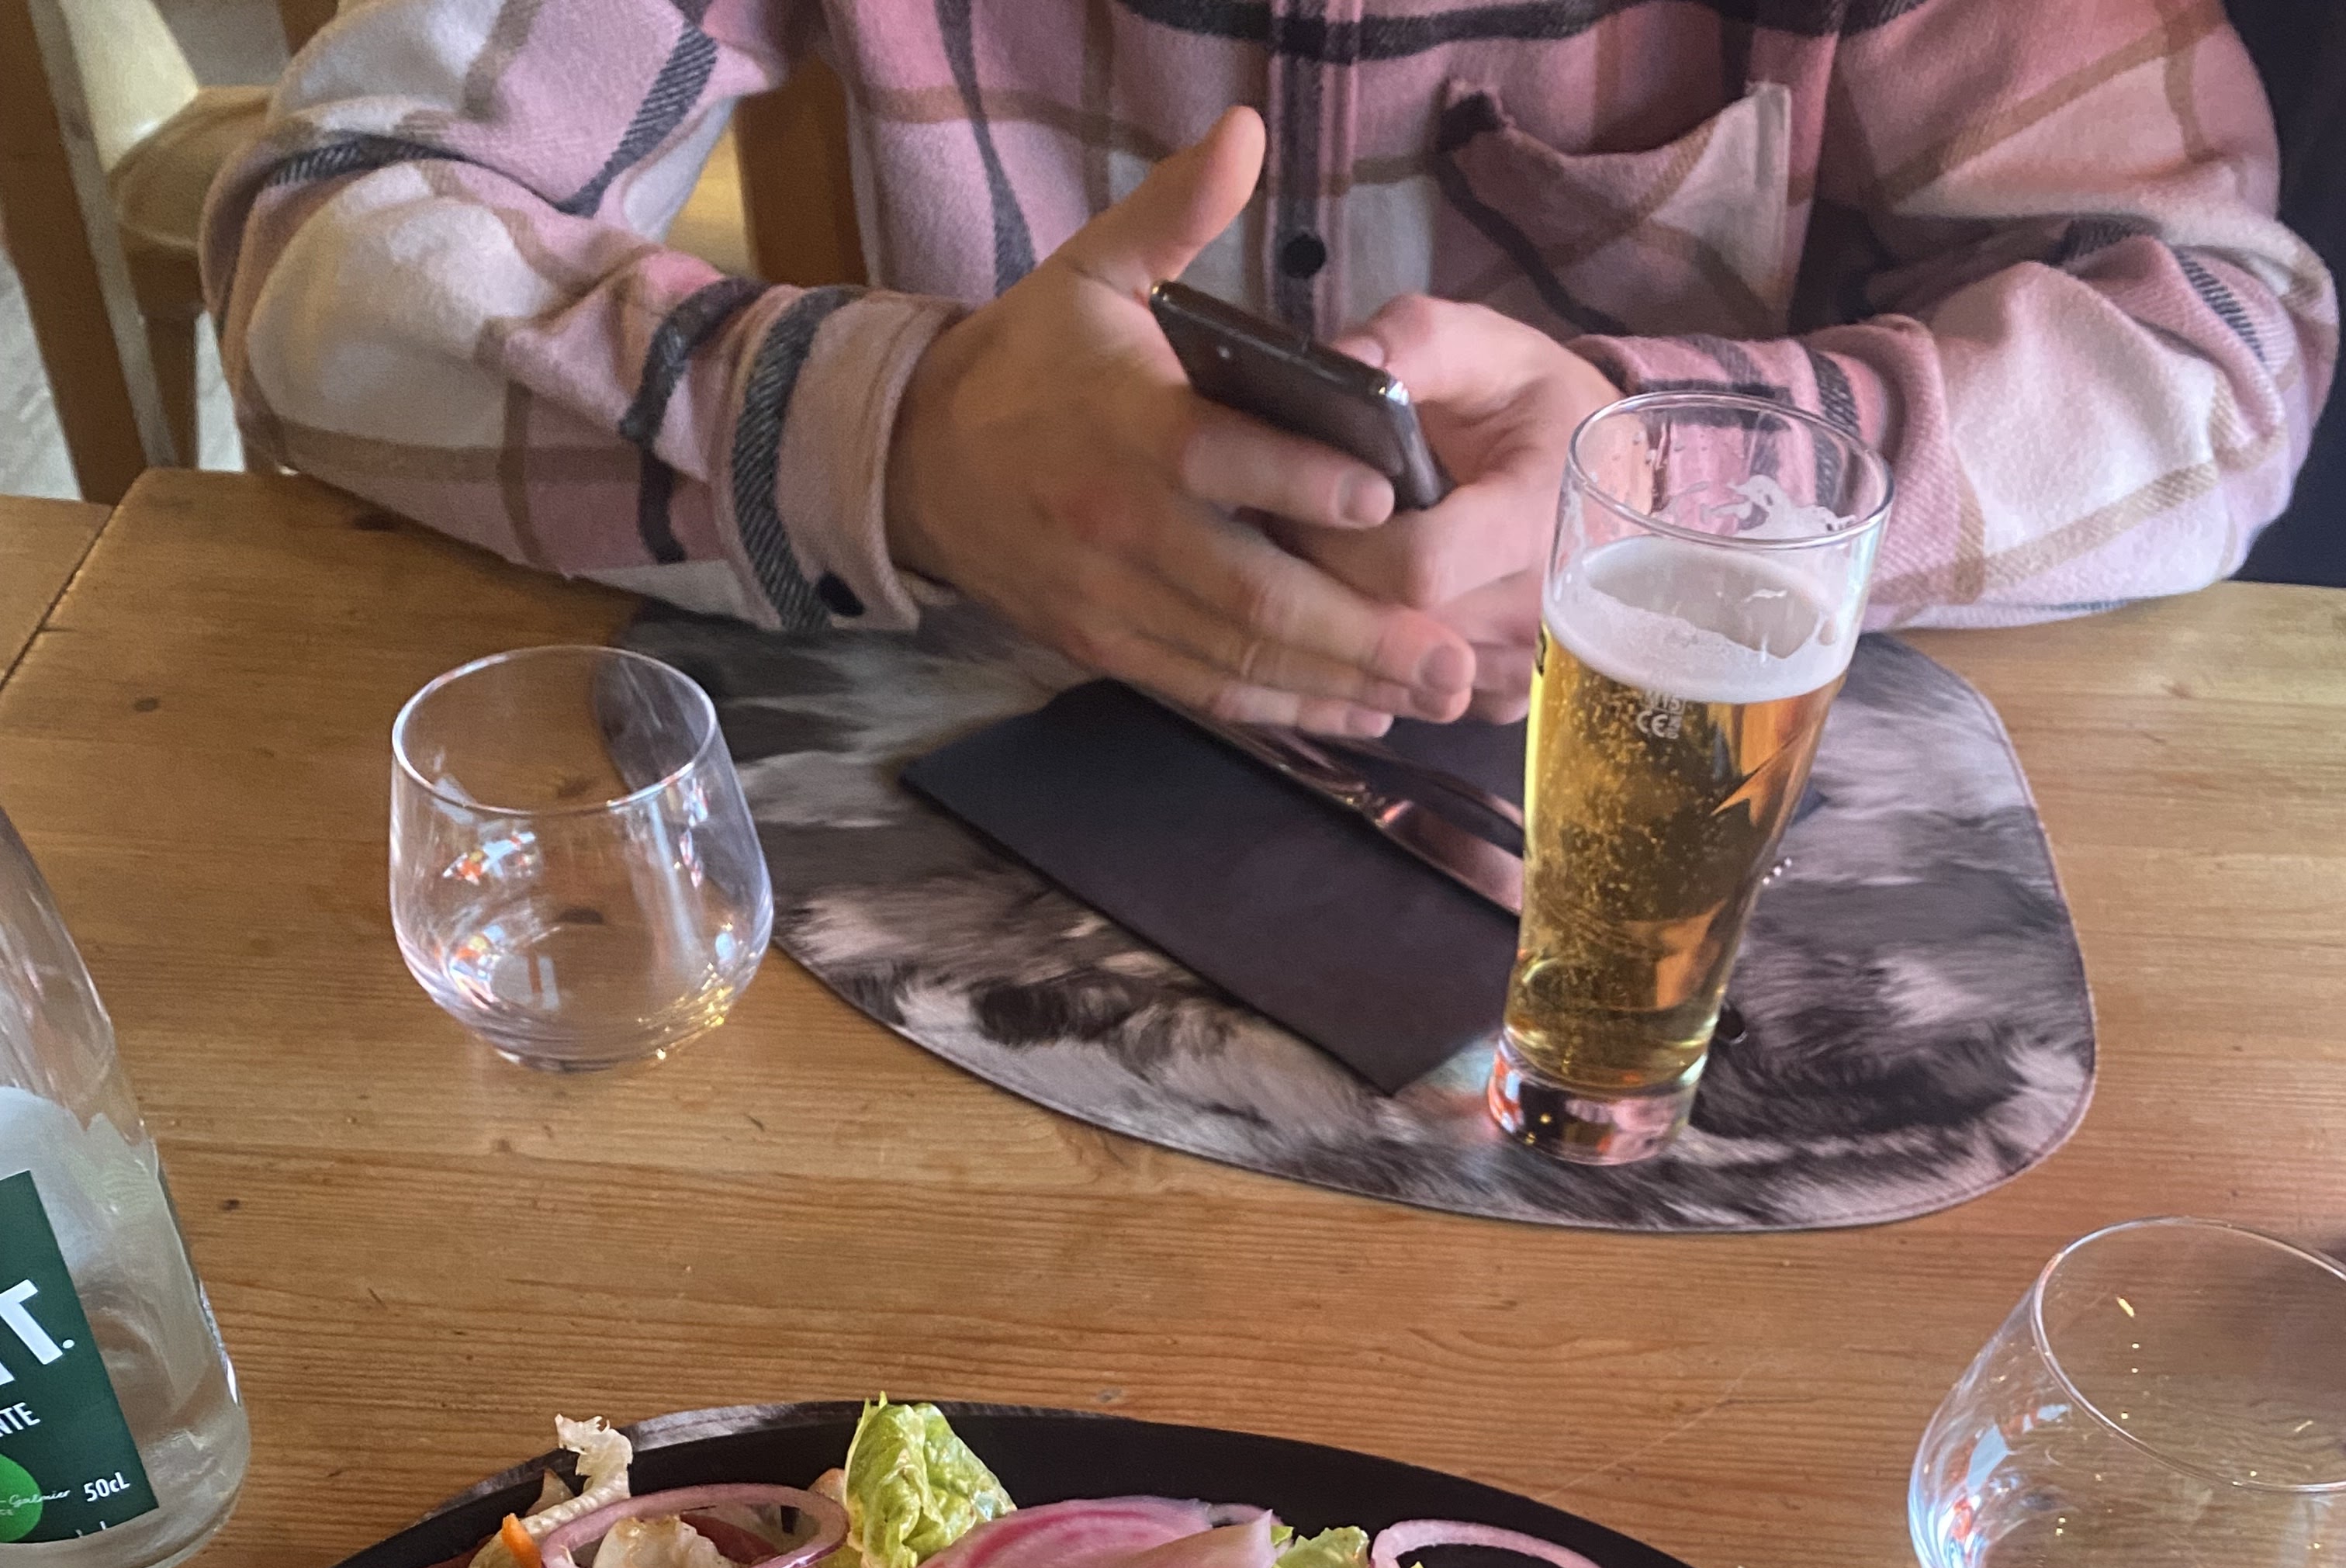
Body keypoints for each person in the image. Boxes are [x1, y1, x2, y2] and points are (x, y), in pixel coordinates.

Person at [202, 3, 2334, 737]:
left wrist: (1686, 479)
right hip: (976, 841)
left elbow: (2224, 342)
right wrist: (902, 437)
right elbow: (321, 227)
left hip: (1672, 888)